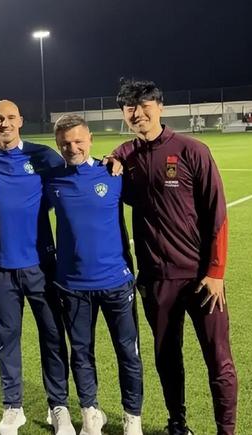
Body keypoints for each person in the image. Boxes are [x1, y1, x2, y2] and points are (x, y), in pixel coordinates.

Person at [113, 79, 237, 435]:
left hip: (201, 279)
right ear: (124, 114)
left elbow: (217, 214)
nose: (138, 113)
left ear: (160, 107)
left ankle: (226, 430)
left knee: (219, 359)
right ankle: (177, 423)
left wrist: (216, 272)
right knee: (167, 357)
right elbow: (118, 159)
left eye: (144, 105)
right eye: (131, 108)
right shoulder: (127, 156)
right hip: (156, 280)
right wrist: (115, 157)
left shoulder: (192, 150)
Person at [0, 100, 72, 435]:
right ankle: (12, 407)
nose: (5, 123)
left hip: (40, 264)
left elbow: (77, 171)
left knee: (53, 336)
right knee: (7, 339)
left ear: (21, 121)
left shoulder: (43, 156)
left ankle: (58, 406)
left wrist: (112, 162)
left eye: (10, 118)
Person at [44, 114, 142, 435]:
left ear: (90, 140)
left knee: (128, 353)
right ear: (57, 144)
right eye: (65, 143)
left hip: (116, 283)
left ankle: (132, 420)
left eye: (78, 141)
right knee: (82, 354)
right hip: (72, 286)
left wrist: (118, 158)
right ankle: (90, 415)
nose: (72, 148)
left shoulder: (113, 173)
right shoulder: (51, 180)